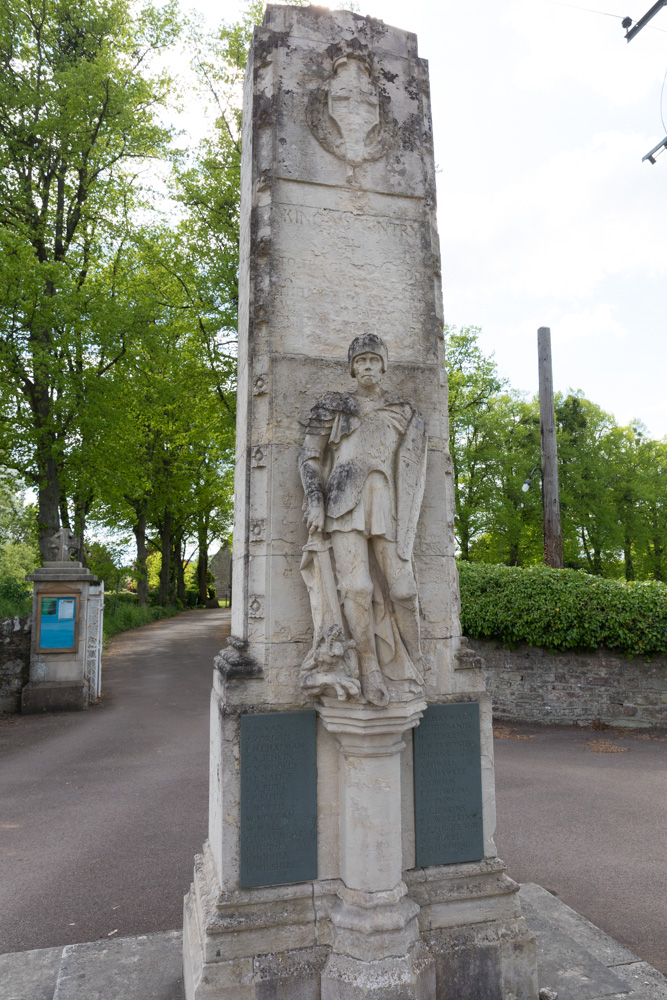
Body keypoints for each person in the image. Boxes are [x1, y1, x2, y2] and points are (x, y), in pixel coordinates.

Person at [299, 334, 427, 706]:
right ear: (352, 367)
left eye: (374, 360)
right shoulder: (334, 407)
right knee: (356, 588)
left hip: (386, 501)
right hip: (341, 499)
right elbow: (309, 457)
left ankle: (414, 664)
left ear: (384, 365)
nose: (368, 366)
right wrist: (314, 500)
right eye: (361, 361)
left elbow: (413, 466)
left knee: (404, 589)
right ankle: (369, 669)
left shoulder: (404, 411)